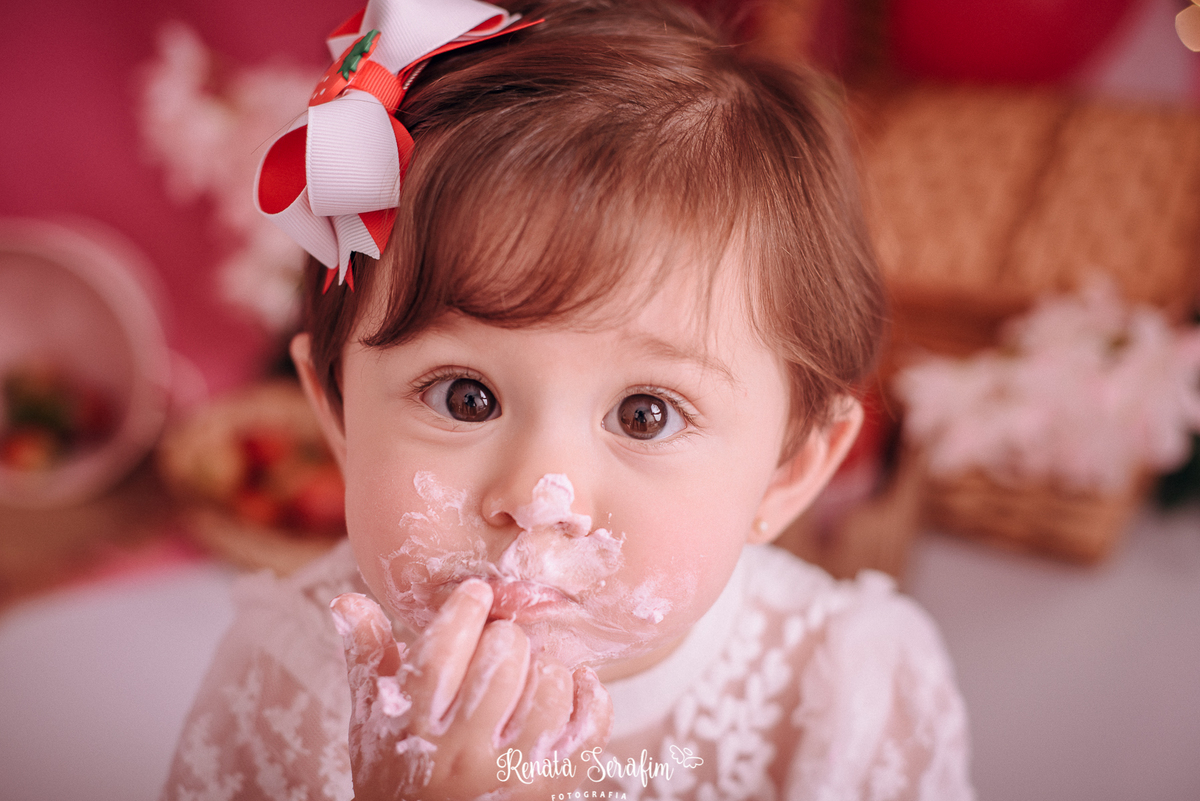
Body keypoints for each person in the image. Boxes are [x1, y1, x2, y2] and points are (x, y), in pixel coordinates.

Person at [162, 0, 974, 798]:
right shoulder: (287, 677)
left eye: (644, 413)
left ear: (789, 469)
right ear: (337, 415)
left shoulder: (848, 697)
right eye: (466, 396)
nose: (538, 496)